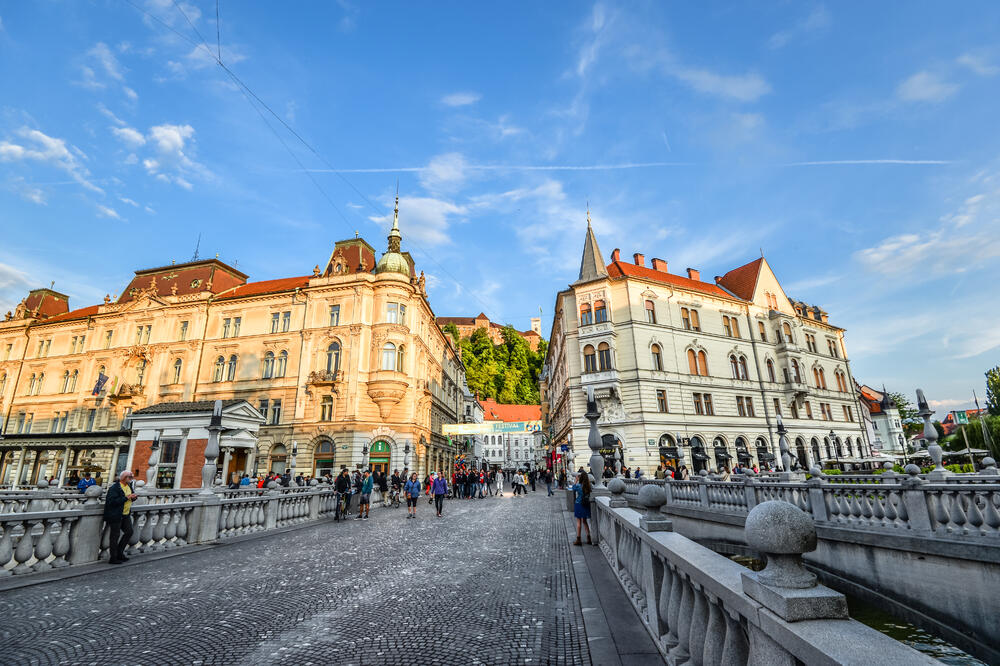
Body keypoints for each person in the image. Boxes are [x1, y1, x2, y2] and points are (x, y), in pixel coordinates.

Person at [104, 470, 138, 564]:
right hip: (115, 515)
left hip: (125, 514)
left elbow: (130, 497)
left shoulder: (129, 486)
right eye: (130, 477)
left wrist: (134, 497)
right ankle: (113, 558)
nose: (131, 479)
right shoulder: (114, 488)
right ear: (124, 478)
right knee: (115, 536)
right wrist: (126, 498)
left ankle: (119, 553)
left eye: (132, 477)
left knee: (129, 532)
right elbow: (112, 502)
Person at [571, 471, 592, 546]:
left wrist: (575, 480)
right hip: (586, 504)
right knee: (584, 521)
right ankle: (589, 538)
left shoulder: (579, 486)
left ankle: (578, 539)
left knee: (578, 522)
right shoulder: (589, 486)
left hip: (578, 504)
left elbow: (573, 488)